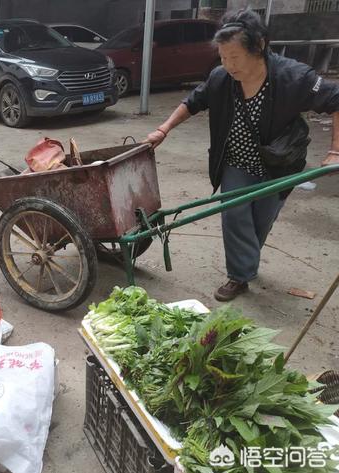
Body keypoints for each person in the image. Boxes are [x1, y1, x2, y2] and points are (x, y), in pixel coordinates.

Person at [145, 9, 339, 302]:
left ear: (259, 45)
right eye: (223, 57)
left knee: (262, 220)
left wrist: (335, 150)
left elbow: (335, 99)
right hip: (235, 162)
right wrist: (163, 129)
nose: (227, 64)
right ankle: (239, 276)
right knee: (235, 214)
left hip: (280, 164)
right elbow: (194, 101)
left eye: (234, 57)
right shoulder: (221, 77)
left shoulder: (293, 77)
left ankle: (246, 260)